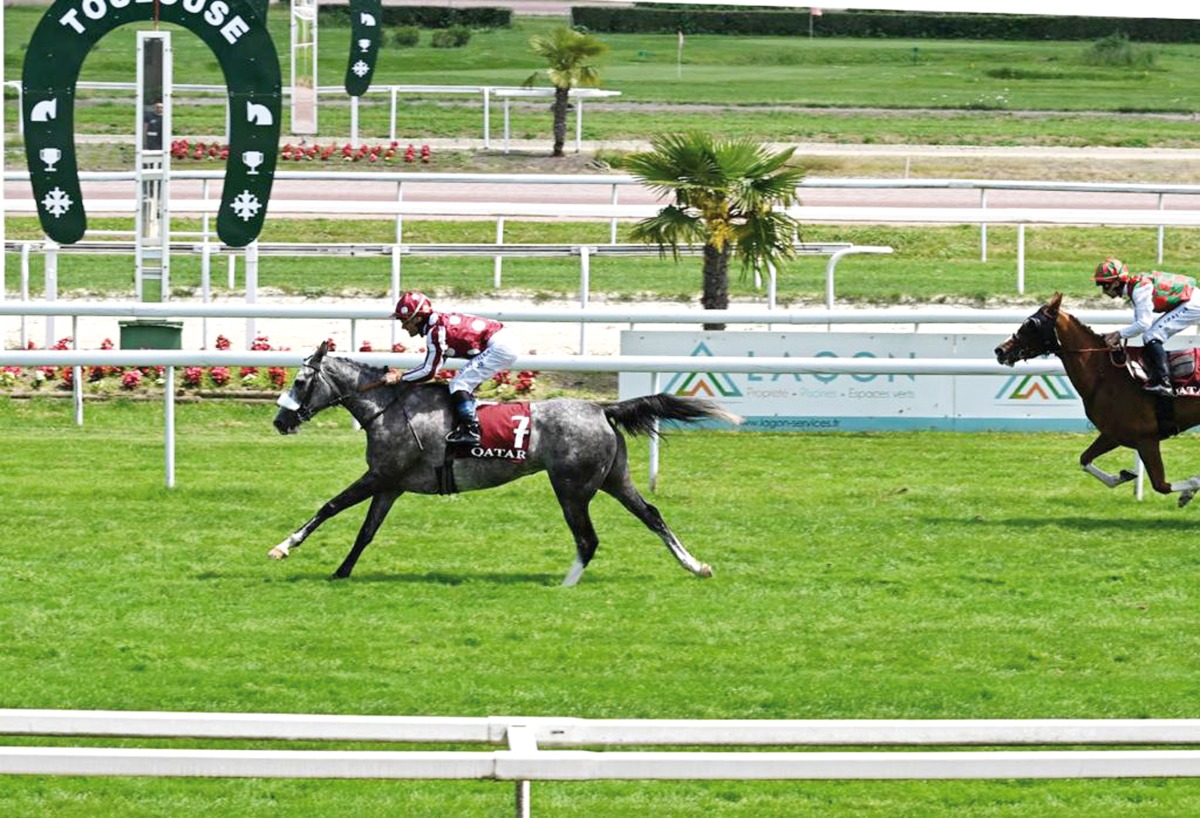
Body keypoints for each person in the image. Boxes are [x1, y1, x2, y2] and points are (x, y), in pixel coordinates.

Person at [384, 291, 519, 444]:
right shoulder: (437, 327)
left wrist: (400, 377)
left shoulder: (435, 332)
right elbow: (433, 365)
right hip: (502, 341)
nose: (403, 327)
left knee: (459, 383)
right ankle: (469, 421)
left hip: (500, 346)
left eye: (404, 321)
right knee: (462, 382)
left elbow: (428, 372)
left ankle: (472, 430)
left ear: (418, 318)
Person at [1093, 257, 1200, 396]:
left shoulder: (1139, 290)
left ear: (1116, 283)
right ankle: (1159, 378)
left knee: (1151, 335)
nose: (1103, 291)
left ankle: (1164, 383)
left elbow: (1143, 324)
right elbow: (1140, 323)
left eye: (1105, 285)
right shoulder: (1135, 288)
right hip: (1189, 300)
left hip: (1191, 304)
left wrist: (1118, 334)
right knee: (1150, 334)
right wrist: (1120, 334)